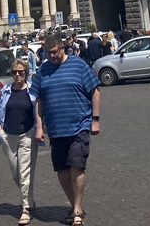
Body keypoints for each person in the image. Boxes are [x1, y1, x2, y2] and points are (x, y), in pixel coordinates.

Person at [31, 35, 100, 226]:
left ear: (63, 48)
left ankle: (77, 209)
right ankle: (74, 204)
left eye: (55, 52)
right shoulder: (43, 69)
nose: (52, 56)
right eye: (49, 53)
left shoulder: (78, 65)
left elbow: (95, 90)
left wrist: (95, 119)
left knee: (77, 165)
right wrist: (39, 126)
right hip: (56, 128)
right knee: (61, 170)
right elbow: (38, 100)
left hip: (80, 125)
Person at [0, 58, 40, 225]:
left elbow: (39, 111)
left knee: (25, 172)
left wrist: (38, 129)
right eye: (15, 72)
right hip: (8, 136)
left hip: (27, 135)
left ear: (26, 73)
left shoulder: (32, 91)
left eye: (21, 72)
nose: (18, 75)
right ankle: (30, 199)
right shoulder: (6, 91)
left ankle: (25, 209)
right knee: (15, 173)